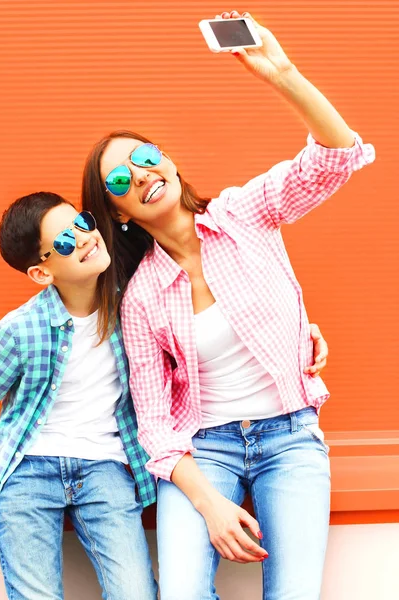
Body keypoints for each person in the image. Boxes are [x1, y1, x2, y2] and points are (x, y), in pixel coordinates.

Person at [81, 11, 375, 600]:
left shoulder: (245, 213)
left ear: (167, 160)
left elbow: (337, 158)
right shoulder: (139, 296)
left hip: (290, 437)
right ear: (117, 212)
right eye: (119, 180)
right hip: (203, 449)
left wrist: (281, 71)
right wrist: (210, 504)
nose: (140, 174)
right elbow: (156, 426)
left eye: (146, 156)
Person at [0, 192, 158, 600]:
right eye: (62, 242)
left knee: (136, 592)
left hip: (104, 468)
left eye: (81, 223)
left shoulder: (131, 307)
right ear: (42, 274)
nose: (83, 238)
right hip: (29, 470)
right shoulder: (22, 330)